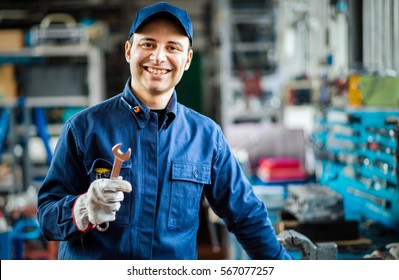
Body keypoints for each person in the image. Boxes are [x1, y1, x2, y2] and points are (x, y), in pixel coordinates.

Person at [37, 1, 293, 260]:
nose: (158, 57)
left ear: (188, 59)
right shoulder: (83, 129)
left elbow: (246, 215)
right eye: (147, 44)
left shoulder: (206, 137)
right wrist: (82, 209)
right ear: (128, 51)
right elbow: (46, 216)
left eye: (173, 47)